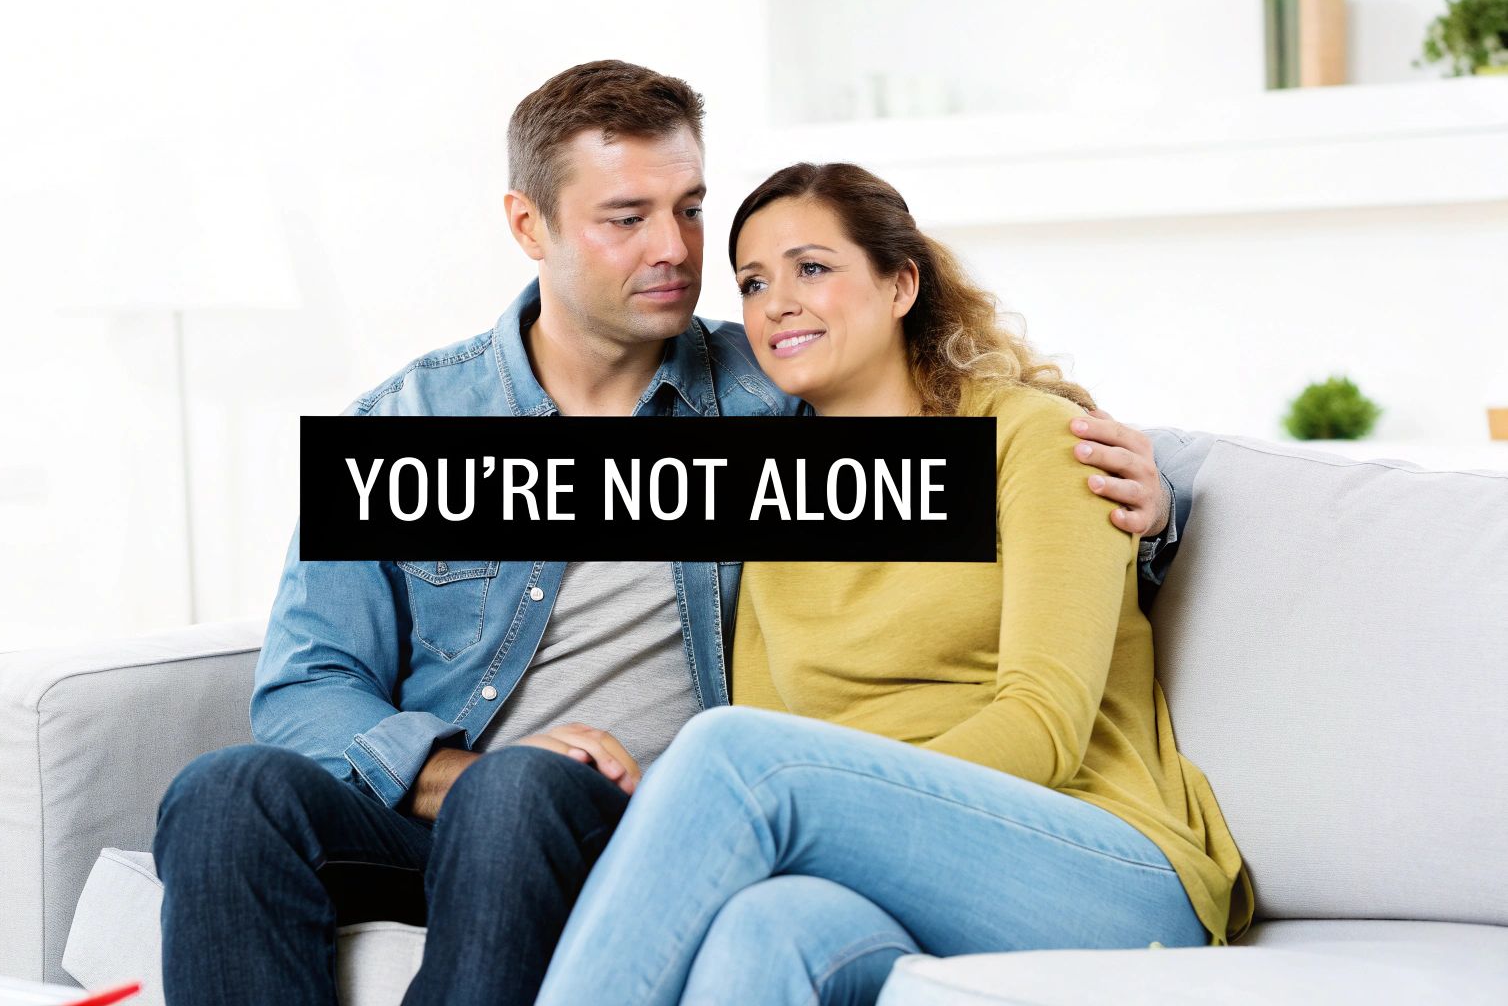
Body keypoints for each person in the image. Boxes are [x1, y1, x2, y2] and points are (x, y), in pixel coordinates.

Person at [151, 64, 1183, 1006]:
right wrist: (449, 774)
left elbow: (958, 449)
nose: (675, 250)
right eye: (625, 217)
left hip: (637, 823)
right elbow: (303, 688)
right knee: (226, 791)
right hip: (450, 814)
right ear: (527, 225)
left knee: (518, 797)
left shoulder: (768, 396)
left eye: (689, 210)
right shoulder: (405, 427)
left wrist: (1151, 513)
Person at [535, 163, 1254, 1006]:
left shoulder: (1036, 442)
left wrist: (840, 796)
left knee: (735, 756)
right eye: (754, 283)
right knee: (769, 928)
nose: (775, 304)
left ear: (901, 283)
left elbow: (1045, 727)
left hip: (1103, 859)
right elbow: (780, 724)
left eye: (812, 268)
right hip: (894, 861)